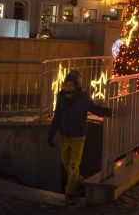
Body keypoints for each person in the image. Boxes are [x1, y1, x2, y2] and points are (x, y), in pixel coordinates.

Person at [48, 70, 112, 204]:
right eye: (66, 85)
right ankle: (79, 181)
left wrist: (107, 112)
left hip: (78, 137)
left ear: (76, 86)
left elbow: (94, 108)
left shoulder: (83, 98)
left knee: (73, 165)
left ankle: (69, 192)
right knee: (65, 162)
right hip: (64, 136)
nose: (68, 88)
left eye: (71, 86)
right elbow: (57, 117)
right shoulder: (61, 98)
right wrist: (51, 133)